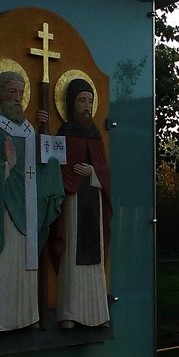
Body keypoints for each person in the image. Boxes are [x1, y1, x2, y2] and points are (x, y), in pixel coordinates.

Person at [0, 70, 64, 339]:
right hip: (2, 207)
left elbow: (39, 165)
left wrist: (51, 153)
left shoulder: (28, 129)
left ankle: (26, 316)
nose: (17, 98)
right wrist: (6, 166)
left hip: (29, 205)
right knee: (1, 261)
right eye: (12, 92)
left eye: (21, 93)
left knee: (26, 262)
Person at [49, 77, 112, 329]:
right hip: (73, 203)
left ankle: (97, 314)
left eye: (89, 101)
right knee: (72, 255)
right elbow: (55, 166)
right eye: (81, 101)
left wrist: (93, 173)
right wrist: (75, 176)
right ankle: (70, 314)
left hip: (93, 202)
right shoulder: (65, 134)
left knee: (94, 259)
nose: (86, 107)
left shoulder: (96, 135)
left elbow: (105, 171)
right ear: (70, 104)